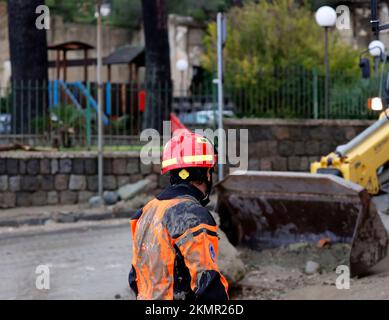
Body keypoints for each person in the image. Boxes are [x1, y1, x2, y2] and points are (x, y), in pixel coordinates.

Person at [128, 131, 229, 300]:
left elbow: (134, 277)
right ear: (206, 173)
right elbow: (208, 284)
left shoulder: (144, 212)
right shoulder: (192, 215)